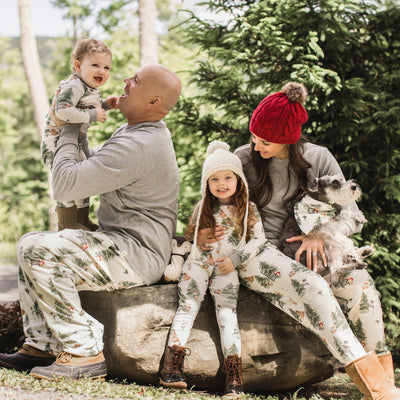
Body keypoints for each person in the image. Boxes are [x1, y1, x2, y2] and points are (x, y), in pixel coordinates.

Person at [197, 82, 400, 400]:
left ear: (288, 138)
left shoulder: (319, 158)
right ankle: (378, 390)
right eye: (253, 136)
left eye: (265, 140)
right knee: (315, 289)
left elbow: (353, 216)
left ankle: (385, 382)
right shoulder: (243, 159)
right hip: (257, 251)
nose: (256, 145)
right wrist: (204, 230)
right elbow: (213, 205)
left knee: (362, 288)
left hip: (311, 250)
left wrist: (322, 235)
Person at [0, 64, 182, 380]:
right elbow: (94, 167)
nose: (125, 81)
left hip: (136, 254)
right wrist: (79, 124)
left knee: (39, 249)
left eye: (135, 81)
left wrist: (67, 123)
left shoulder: (139, 144)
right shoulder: (137, 133)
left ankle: (85, 354)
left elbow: (65, 184)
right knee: (31, 239)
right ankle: (42, 345)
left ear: (153, 102)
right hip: (123, 244)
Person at [159, 141, 267, 397]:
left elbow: (260, 240)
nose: (222, 183)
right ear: (206, 184)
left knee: (227, 314)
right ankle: (171, 368)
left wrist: (237, 259)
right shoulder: (203, 207)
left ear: (238, 179)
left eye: (228, 177)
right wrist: (199, 237)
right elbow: (191, 234)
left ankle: (234, 378)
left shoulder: (247, 209)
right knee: (188, 306)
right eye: (214, 179)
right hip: (198, 264)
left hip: (226, 269)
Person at [41, 38, 118, 232]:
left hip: (76, 141)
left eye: (106, 67)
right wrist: (93, 115)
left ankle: (82, 219)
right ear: (77, 65)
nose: (102, 71)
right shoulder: (74, 85)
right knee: (66, 180)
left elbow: (83, 106)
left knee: (83, 177)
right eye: (95, 65)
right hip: (57, 142)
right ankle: (66, 222)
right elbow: (62, 111)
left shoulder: (88, 87)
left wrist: (106, 105)